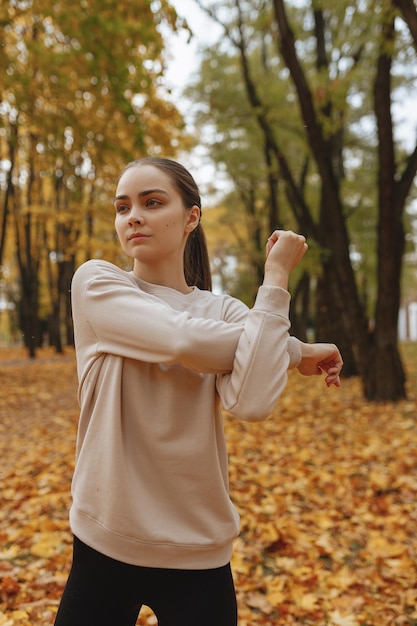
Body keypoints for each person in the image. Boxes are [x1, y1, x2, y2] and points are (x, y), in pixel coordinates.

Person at [54, 157, 342, 626]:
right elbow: (182, 339)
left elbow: (251, 403)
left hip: (199, 551)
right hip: (104, 539)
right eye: (122, 206)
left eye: (152, 202)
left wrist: (275, 279)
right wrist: (286, 349)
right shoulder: (97, 283)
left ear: (192, 216)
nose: (133, 217)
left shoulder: (226, 311)